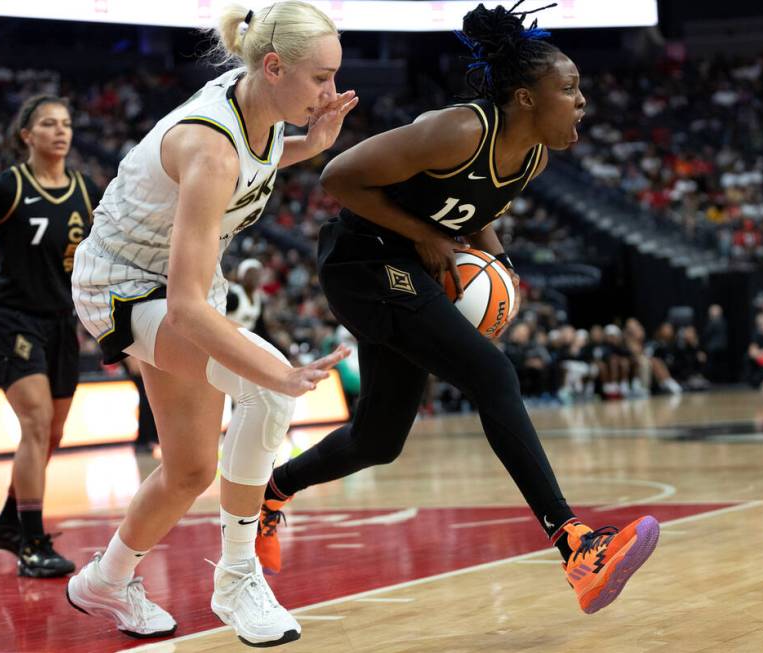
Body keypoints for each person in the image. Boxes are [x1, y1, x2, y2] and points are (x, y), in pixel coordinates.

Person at [256, 1, 658, 616]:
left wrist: (501, 268)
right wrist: (423, 233)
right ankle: (576, 546)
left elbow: (479, 214)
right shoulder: (460, 131)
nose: (581, 101)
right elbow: (336, 178)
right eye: (569, 88)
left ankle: (272, 491)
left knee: (379, 438)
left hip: (410, 267)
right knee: (492, 373)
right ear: (524, 98)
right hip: (360, 261)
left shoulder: (533, 158)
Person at [65, 2, 355, 645]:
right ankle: (238, 578)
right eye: (321, 79)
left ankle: (106, 580)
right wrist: (277, 371)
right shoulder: (211, 144)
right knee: (265, 393)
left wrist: (312, 146)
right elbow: (189, 307)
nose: (331, 92)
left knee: (191, 470)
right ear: (274, 66)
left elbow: (254, 167)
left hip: (176, 286)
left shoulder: (267, 107)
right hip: (122, 288)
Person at [0, 95, 99, 578]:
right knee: (34, 426)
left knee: (51, 434)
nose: (61, 131)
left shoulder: (87, 190)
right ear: (26, 135)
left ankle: (9, 522)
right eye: (48, 124)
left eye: (67, 123)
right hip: (12, 320)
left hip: (61, 325)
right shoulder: (4, 189)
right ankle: (32, 542)